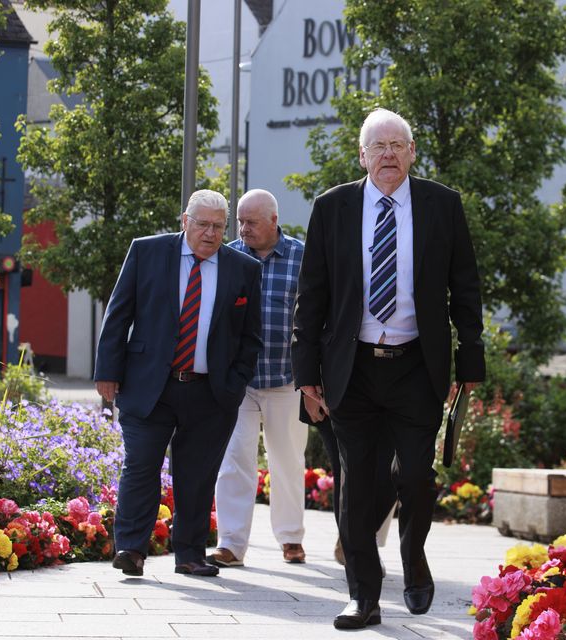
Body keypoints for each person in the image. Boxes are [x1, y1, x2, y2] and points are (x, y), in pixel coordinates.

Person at [292, 108, 485, 629]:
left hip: (415, 366)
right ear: (362, 156)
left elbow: (465, 288)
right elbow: (311, 295)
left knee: (417, 477)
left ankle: (414, 558)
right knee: (355, 482)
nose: (388, 155)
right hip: (351, 366)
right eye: (377, 147)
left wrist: (470, 362)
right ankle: (363, 595)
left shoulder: (441, 205)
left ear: (412, 153)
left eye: (398, 145)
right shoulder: (332, 207)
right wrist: (305, 372)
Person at [94, 189, 262, 578]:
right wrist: (108, 371)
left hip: (211, 391)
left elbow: (250, 336)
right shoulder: (147, 252)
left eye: (219, 227)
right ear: (184, 221)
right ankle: (131, 550)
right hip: (150, 385)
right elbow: (119, 314)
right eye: (202, 224)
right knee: (141, 466)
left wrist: (234, 383)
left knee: (197, 475)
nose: (210, 233)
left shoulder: (244, 269)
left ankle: (189, 554)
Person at [206, 189, 309, 567]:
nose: (243, 229)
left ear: (274, 221)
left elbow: (315, 314)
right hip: (239, 381)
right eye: (240, 221)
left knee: (287, 460)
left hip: (287, 377)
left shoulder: (302, 256)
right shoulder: (227, 256)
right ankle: (231, 544)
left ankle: (290, 538)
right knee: (235, 460)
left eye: (251, 222)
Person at [300, 393, 397, 570]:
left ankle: (358, 540)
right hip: (334, 388)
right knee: (346, 470)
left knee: (390, 471)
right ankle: (355, 548)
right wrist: (308, 388)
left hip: (394, 391)